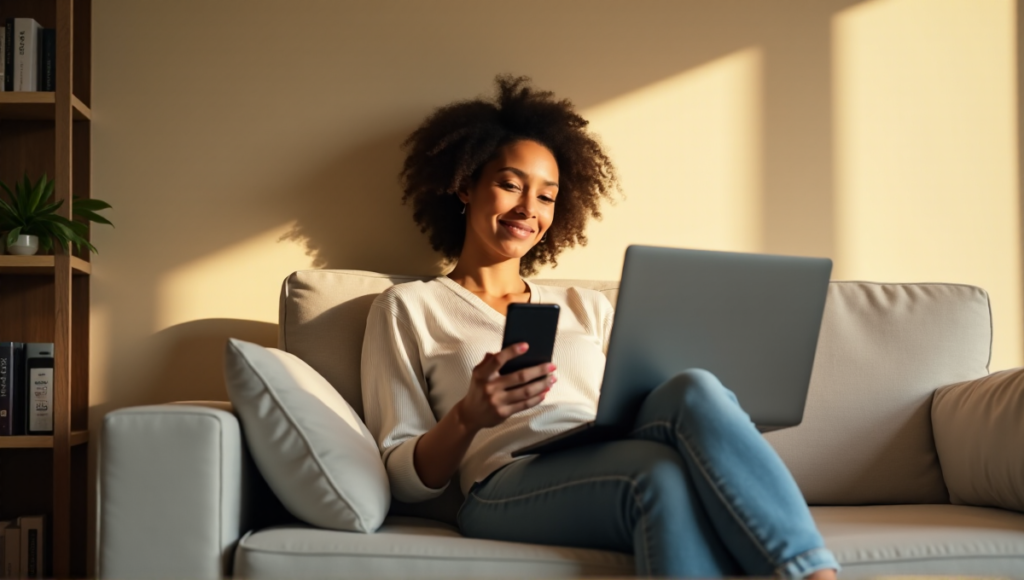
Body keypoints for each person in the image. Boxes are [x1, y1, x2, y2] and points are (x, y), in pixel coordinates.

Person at [360, 75, 840, 579]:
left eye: (546, 197)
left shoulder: (584, 306)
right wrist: (468, 417)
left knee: (695, 387)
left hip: (607, 451)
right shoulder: (410, 307)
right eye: (510, 185)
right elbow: (403, 477)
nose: (528, 209)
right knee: (656, 476)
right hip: (504, 482)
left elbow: (641, 407)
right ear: (465, 186)